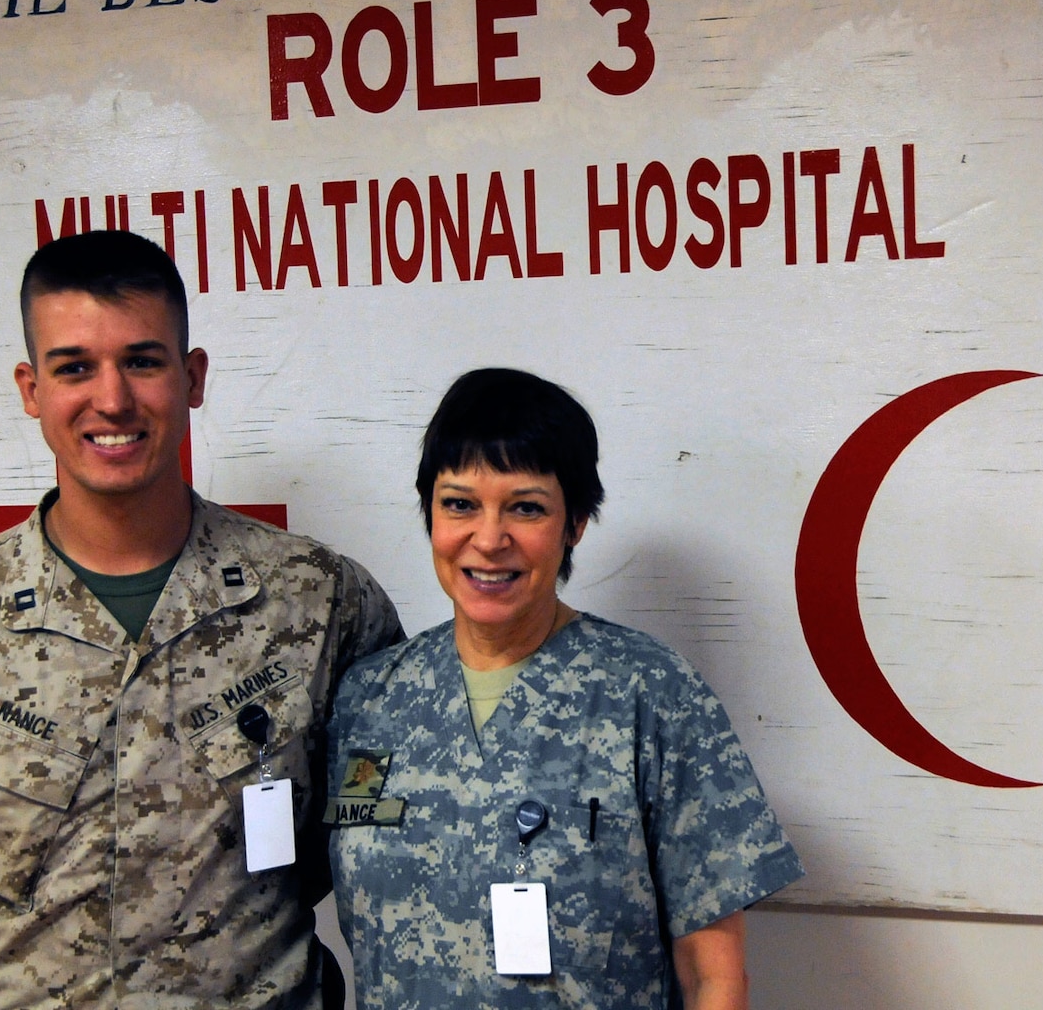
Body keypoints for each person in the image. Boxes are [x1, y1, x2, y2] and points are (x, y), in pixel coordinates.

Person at [0, 230, 403, 1008]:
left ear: (192, 377)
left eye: (142, 361)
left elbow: (382, 854)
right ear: (31, 389)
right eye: (75, 368)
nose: (113, 399)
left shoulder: (318, 600)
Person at [325, 368, 803, 1010]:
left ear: (574, 522)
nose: (488, 539)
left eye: (526, 508)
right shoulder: (371, 700)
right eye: (459, 503)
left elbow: (713, 978)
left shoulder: (651, 695)